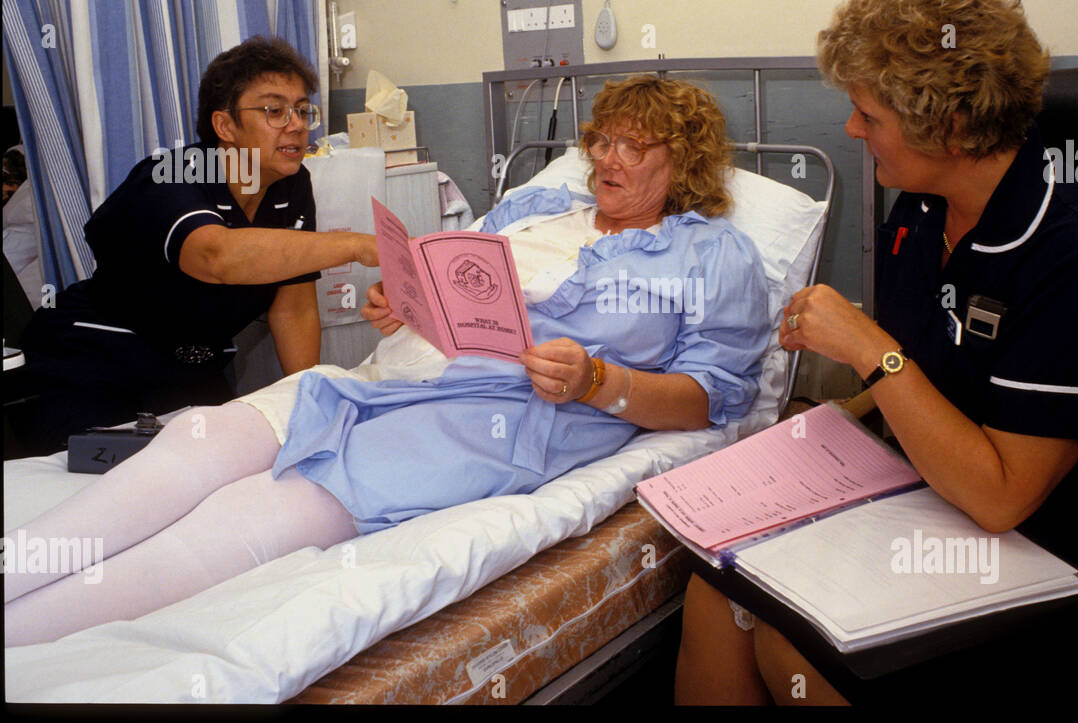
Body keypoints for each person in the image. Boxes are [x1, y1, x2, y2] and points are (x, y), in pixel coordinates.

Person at [4, 75, 771, 646]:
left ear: (688, 158)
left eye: (634, 145)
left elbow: (712, 399)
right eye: (601, 138)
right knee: (195, 442)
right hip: (390, 372)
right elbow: (456, 276)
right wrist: (408, 301)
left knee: (243, 517)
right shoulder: (539, 207)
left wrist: (602, 381)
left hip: (494, 417)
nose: (607, 157)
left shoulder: (713, 255)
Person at [675, 0, 1078, 705]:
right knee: (715, 588)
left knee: (791, 644)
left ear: (949, 127)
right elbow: (918, 382)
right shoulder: (919, 213)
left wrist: (865, 347)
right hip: (933, 514)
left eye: (870, 115)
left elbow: (1001, 494)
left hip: (1052, 563)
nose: (853, 129)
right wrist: (796, 444)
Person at [13, 36, 380, 455]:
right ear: (224, 126)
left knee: (240, 462)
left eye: (301, 109)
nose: (296, 123)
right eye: (274, 110)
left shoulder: (291, 185)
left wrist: (309, 401)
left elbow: (293, 305)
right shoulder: (172, 172)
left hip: (191, 370)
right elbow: (216, 257)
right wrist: (355, 245)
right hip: (94, 357)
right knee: (115, 477)